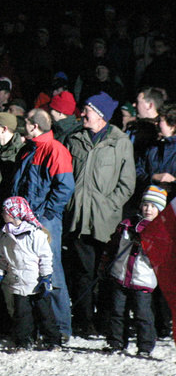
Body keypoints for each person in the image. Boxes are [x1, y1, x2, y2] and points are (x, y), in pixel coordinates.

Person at [65, 92, 135, 337]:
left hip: (106, 222)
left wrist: (108, 205)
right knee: (82, 274)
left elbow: (127, 183)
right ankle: (84, 322)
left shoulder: (120, 142)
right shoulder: (74, 139)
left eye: (88, 110)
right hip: (78, 219)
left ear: (101, 114)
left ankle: (105, 322)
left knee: (105, 275)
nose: (83, 114)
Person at [10, 108, 75, 340]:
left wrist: (45, 214)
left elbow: (65, 186)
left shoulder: (55, 150)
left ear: (34, 126)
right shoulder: (29, 149)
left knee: (51, 271)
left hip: (45, 221)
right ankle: (38, 327)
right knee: (29, 272)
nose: (23, 125)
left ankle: (61, 328)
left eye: (26, 122)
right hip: (26, 220)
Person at [100, 185, 164, 357]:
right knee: (117, 311)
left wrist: (146, 242)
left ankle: (145, 346)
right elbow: (113, 245)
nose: (148, 209)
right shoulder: (126, 224)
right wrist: (105, 263)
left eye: (153, 206)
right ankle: (116, 342)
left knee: (143, 314)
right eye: (146, 205)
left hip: (142, 280)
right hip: (120, 275)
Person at [0, 196, 61, 350]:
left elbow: (45, 256)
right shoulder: (4, 234)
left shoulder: (35, 233)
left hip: (35, 280)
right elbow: (2, 257)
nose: (2, 214)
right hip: (16, 280)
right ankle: (24, 341)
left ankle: (53, 339)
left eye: (5, 211)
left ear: (14, 213)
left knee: (44, 312)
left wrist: (46, 277)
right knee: (21, 314)